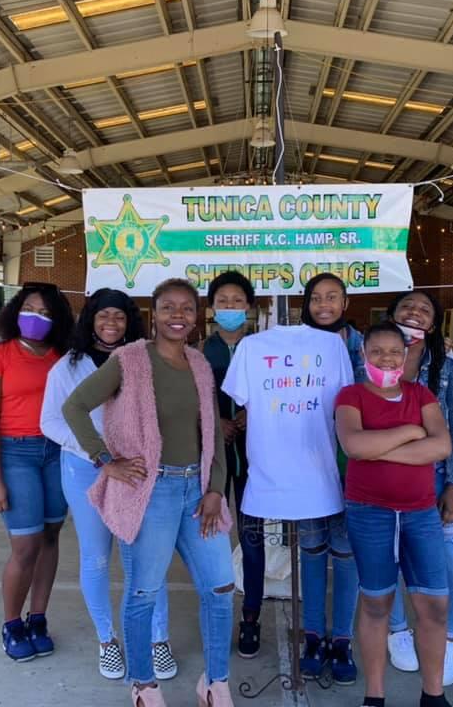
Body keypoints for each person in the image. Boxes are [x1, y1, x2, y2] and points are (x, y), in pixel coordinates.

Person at [62, 278, 236, 707]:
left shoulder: (198, 364)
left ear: (198, 317)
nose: (178, 315)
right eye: (168, 308)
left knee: (220, 588)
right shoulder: (130, 360)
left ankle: (215, 682)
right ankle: (143, 685)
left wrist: (215, 490)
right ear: (153, 315)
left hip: (197, 492)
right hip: (152, 490)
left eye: (187, 309)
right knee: (143, 592)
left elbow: (211, 433)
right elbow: (74, 407)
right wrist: (106, 460)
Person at [40, 288, 178, 681]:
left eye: (119, 316)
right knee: (97, 556)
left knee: (145, 557)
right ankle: (107, 640)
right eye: (103, 316)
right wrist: (99, 456)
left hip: (136, 469)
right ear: (91, 320)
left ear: (130, 320)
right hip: (87, 468)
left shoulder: (144, 359)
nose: (111, 323)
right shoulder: (68, 366)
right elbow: (50, 422)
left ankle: (157, 639)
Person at [337, 322, 453, 707]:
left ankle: (433, 694)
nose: (385, 358)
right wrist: (409, 431)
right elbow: (353, 444)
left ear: (405, 357)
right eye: (377, 352)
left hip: (420, 514)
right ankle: (375, 695)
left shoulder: (422, 394)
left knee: (433, 605)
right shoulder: (351, 395)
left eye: (393, 352)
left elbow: (441, 447)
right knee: (376, 603)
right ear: (363, 355)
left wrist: (376, 449)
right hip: (370, 513)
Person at [0, 283, 75, 662]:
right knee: (25, 545)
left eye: (47, 313)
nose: (37, 317)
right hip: (15, 453)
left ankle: (38, 618)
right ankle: (12, 623)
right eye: (31, 308)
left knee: (51, 536)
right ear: (16, 311)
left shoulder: (62, 356)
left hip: (56, 452)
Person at [385, 291, 453, 686]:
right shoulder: (367, 363)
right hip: (380, 481)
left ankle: (447, 636)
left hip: (435, 480)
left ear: (433, 325)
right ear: (392, 316)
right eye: (407, 308)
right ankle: (398, 630)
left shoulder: (448, 368)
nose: (414, 314)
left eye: (423, 311)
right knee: (390, 562)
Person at [296, 272, 363, 684]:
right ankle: (313, 636)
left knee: (346, 554)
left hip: (352, 468)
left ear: (344, 303)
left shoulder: (364, 346)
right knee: (312, 551)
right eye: (317, 298)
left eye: (332, 297)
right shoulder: (295, 345)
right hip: (305, 467)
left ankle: (342, 639)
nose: (324, 305)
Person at [200, 271, 265, 660]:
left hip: (254, 458)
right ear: (211, 308)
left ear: (250, 307)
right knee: (208, 539)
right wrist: (215, 422)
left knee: (251, 537)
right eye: (222, 301)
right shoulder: (196, 352)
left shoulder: (261, 350)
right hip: (210, 458)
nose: (229, 307)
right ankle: (215, 617)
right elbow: (187, 403)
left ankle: (251, 618)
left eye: (237, 301)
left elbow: (274, 395)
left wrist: (249, 414)